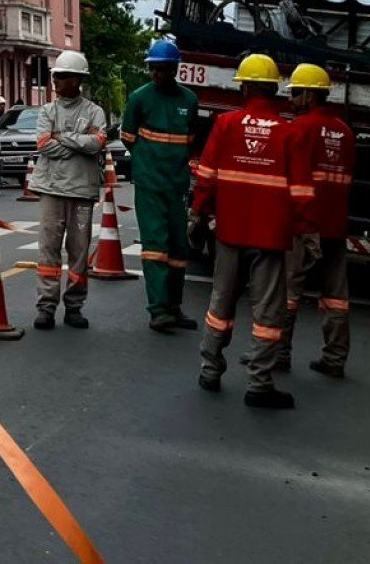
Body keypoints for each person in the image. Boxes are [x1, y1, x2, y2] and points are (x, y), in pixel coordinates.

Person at [191, 53, 313, 409]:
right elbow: (302, 192)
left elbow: (207, 176)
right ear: (274, 88)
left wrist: (198, 214)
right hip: (271, 237)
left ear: (243, 86)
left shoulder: (226, 124)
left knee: (220, 303)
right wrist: (307, 233)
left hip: (229, 231)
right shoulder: (290, 133)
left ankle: (210, 370)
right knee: (268, 313)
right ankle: (259, 383)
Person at [277, 63, 355, 379]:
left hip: (301, 227)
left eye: (295, 93)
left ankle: (279, 353)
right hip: (335, 226)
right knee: (336, 295)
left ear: (309, 95)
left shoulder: (297, 130)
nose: (291, 100)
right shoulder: (345, 133)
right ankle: (335, 358)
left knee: (288, 293)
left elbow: (294, 183)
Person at [120, 36, 200, 333]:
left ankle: (173, 306)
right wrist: (148, 163)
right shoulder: (139, 98)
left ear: (175, 68)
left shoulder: (188, 101)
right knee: (155, 245)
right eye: (153, 68)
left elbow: (190, 141)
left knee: (179, 248)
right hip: (150, 185)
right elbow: (129, 138)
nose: (157, 74)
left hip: (176, 185)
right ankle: (157, 310)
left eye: (163, 68)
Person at [31, 49, 109, 331]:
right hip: (52, 191)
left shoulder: (94, 111)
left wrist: (63, 138)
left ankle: (74, 306)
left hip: (82, 196)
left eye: (62, 76)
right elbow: (43, 145)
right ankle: (46, 307)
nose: (56, 81)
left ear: (76, 80)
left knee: (78, 250)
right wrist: (79, 142)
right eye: (55, 75)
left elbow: (97, 142)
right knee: (48, 250)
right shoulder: (47, 111)